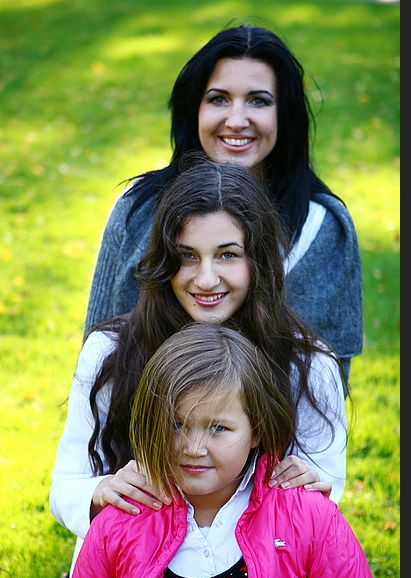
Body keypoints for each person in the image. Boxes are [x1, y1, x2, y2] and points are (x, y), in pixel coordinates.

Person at [50, 161, 348, 578]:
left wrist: (309, 482)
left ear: (258, 261)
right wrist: (102, 491)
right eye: (187, 256)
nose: (206, 279)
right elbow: (64, 488)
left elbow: (324, 506)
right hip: (127, 575)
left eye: (227, 254)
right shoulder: (111, 352)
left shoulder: (306, 365)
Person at [83, 23, 362, 378]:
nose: (236, 120)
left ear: (285, 115)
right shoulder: (138, 211)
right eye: (218, 99)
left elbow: (330, 390)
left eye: (259, 100)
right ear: (194, 109)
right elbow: (96, 358)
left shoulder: (324, 229)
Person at [66, 323, 377, 578]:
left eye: (218, 428)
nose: (193, 448)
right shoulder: (118, 523)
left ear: (256, 430)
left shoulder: (309, 517)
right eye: (177, 425)